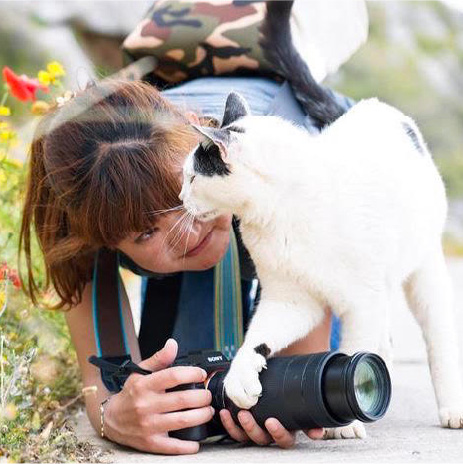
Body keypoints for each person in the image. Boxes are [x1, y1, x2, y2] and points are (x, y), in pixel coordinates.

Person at [19, 2, 369, 456]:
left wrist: (286, 399)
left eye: (177, 201)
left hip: (284, 182)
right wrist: (116, 414)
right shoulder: (89, 209)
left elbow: (299, 364)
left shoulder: (273, 177)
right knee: (175, 382)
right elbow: (101, 389)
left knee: (323, 378)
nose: (185, 231)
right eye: (144, 233)